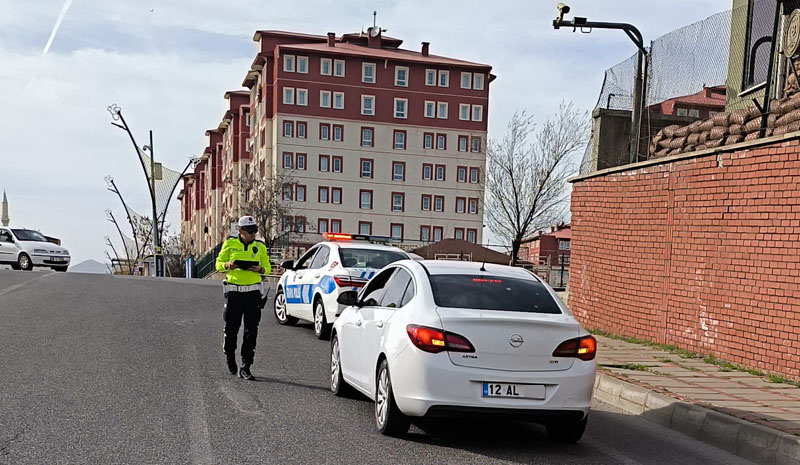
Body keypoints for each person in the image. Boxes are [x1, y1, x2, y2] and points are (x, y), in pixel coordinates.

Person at [215, 215, 271, 380]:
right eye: (250, 231)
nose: (253, 234)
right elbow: (218, 264)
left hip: (253, 294)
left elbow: (267, 268)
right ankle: (229, 355)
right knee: (232, 328)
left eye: (255, 230)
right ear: (240, 231)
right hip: (234, 292)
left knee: (251, 331)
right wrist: (228, 265)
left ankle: (246, 366)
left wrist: (260, 269)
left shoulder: (260, 247)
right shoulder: (230, 243)